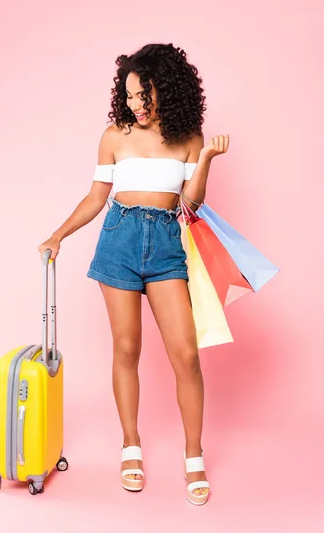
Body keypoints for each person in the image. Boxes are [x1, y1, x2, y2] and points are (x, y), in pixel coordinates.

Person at [38, 43, 229, 505]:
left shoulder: (189, 136)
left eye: (145, 95)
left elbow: (190, 205)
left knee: (185, 354)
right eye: (130, 96)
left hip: (165, 245)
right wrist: (57, 235)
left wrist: (203, 161)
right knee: (127, 347)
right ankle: (131, 445)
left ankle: (193, 454)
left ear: (169, 88)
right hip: (118, 240)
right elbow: (96, 195)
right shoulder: (114, 136)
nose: (137, 105)